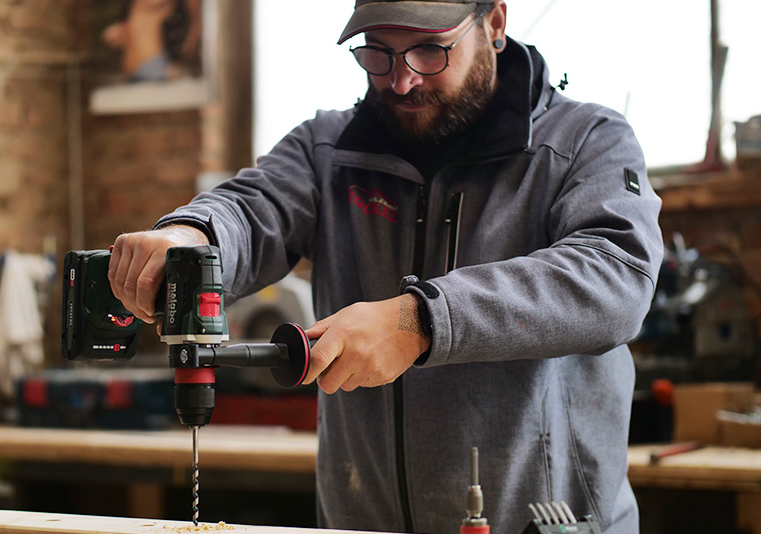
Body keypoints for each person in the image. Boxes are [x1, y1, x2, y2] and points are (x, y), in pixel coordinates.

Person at [108, 1, 662, 533]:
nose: (401, 80)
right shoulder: (326, 150)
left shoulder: (588, 142)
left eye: (429, 50)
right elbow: (252, 210)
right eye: (378, 52)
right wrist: (191, 237)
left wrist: (420, 322)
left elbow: (615, 276)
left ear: (494, 23)